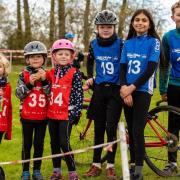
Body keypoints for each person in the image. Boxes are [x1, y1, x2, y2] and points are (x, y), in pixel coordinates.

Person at [120, 9, 162, 180]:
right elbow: (122, 67)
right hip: (127, 90)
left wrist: (132, 88)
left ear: (149, 24)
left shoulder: (154, 42)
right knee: (130, 129)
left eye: (144, 20)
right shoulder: (127, 43)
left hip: (143, 89)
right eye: (137, 20)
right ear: (132, 23)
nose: (140, 23)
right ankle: (131, 164)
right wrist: (124, 88)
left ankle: (138, 169)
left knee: (138, 130)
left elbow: (151, 68)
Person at [84, 10, 123, 179]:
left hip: (115, 90)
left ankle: (111, 165)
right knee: (98, 128)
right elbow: (90, 61)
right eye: (102, 27)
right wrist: (91, 76)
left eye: (109, 27)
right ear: (97, 28)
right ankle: (96, 164)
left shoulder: (121, 44)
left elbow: (125, 65)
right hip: (99, 90)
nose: (105, 30)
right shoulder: (93, 44)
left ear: (114, 28)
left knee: (110, 129)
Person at [46, 39, 83, 180]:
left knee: (64, 142)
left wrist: (76, 112)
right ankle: (57, 171)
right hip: (52, 113)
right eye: (60, 54)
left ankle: (72, 172)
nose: (63, 56)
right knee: (54, 143)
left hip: (66, 114)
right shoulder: (51, 72)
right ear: (54, 56)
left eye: (66, 54)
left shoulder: (75, 73)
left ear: (71, 56)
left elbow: (79, 94)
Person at [16, 41, 49, 180]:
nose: (35, 59)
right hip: (27, 117)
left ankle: (36, 170)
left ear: (44, 58)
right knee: (27, 145)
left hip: (42, 117)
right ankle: (25, 171)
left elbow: (51, 94)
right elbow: (19, 94)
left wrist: (45, 81)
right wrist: (29, 83)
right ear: (27, 59)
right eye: (32, 56)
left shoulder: (47, 74)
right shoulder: (22, 75)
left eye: (38, 56)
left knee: (39, 144)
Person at [159, 1, 180, 176]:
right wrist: (163, 89)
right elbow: (164, 65)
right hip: (175, 86)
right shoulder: (168, 37)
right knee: (173, 127)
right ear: (173, 17)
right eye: (179, 14)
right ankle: (172, 163)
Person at [0, 53, 12, 143]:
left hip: (1, 125)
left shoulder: (7, 86)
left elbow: (9, 109)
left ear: (4, 69)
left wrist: (8, 131)